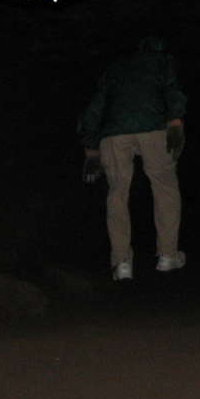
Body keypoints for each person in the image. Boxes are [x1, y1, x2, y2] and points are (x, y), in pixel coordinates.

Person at [78, 36, 188, 281]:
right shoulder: (162, 62)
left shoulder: (115, 69)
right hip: (153, 128)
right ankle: (168, 255)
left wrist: (91, 149)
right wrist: (175, 119)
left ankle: (122, 262)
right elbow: (172, 89)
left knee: (117, 192)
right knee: (165, 188)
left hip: (114, 133)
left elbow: (95, 106)